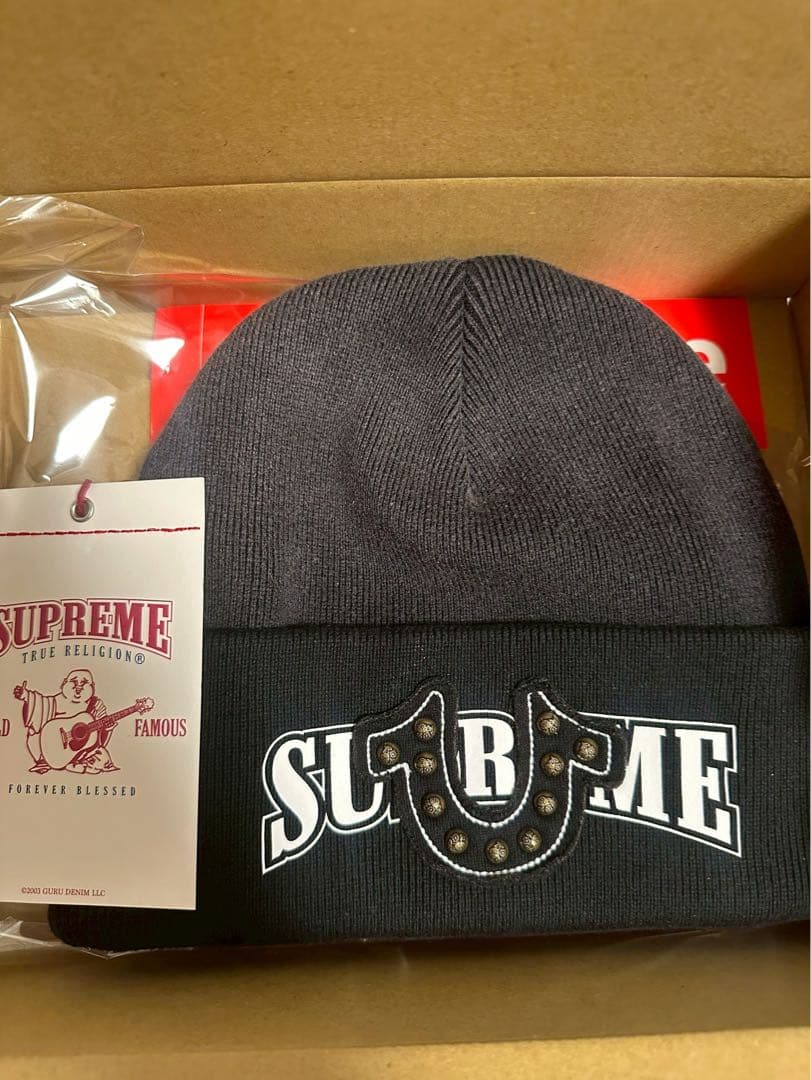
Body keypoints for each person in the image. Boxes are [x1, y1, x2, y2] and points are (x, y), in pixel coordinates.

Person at [14, 669, 118, 774]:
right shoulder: (54, 701)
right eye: (74, 682)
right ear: (64, 683)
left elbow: (101, 737)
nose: (78, 687)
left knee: (101, 756)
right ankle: (45, 761)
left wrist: (107, 729)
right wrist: (26, 695)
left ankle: (75, 765)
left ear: (92, 686)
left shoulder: (96, 705)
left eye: (84, 683)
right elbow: (39, 704)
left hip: (81, 752)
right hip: (47, 746)